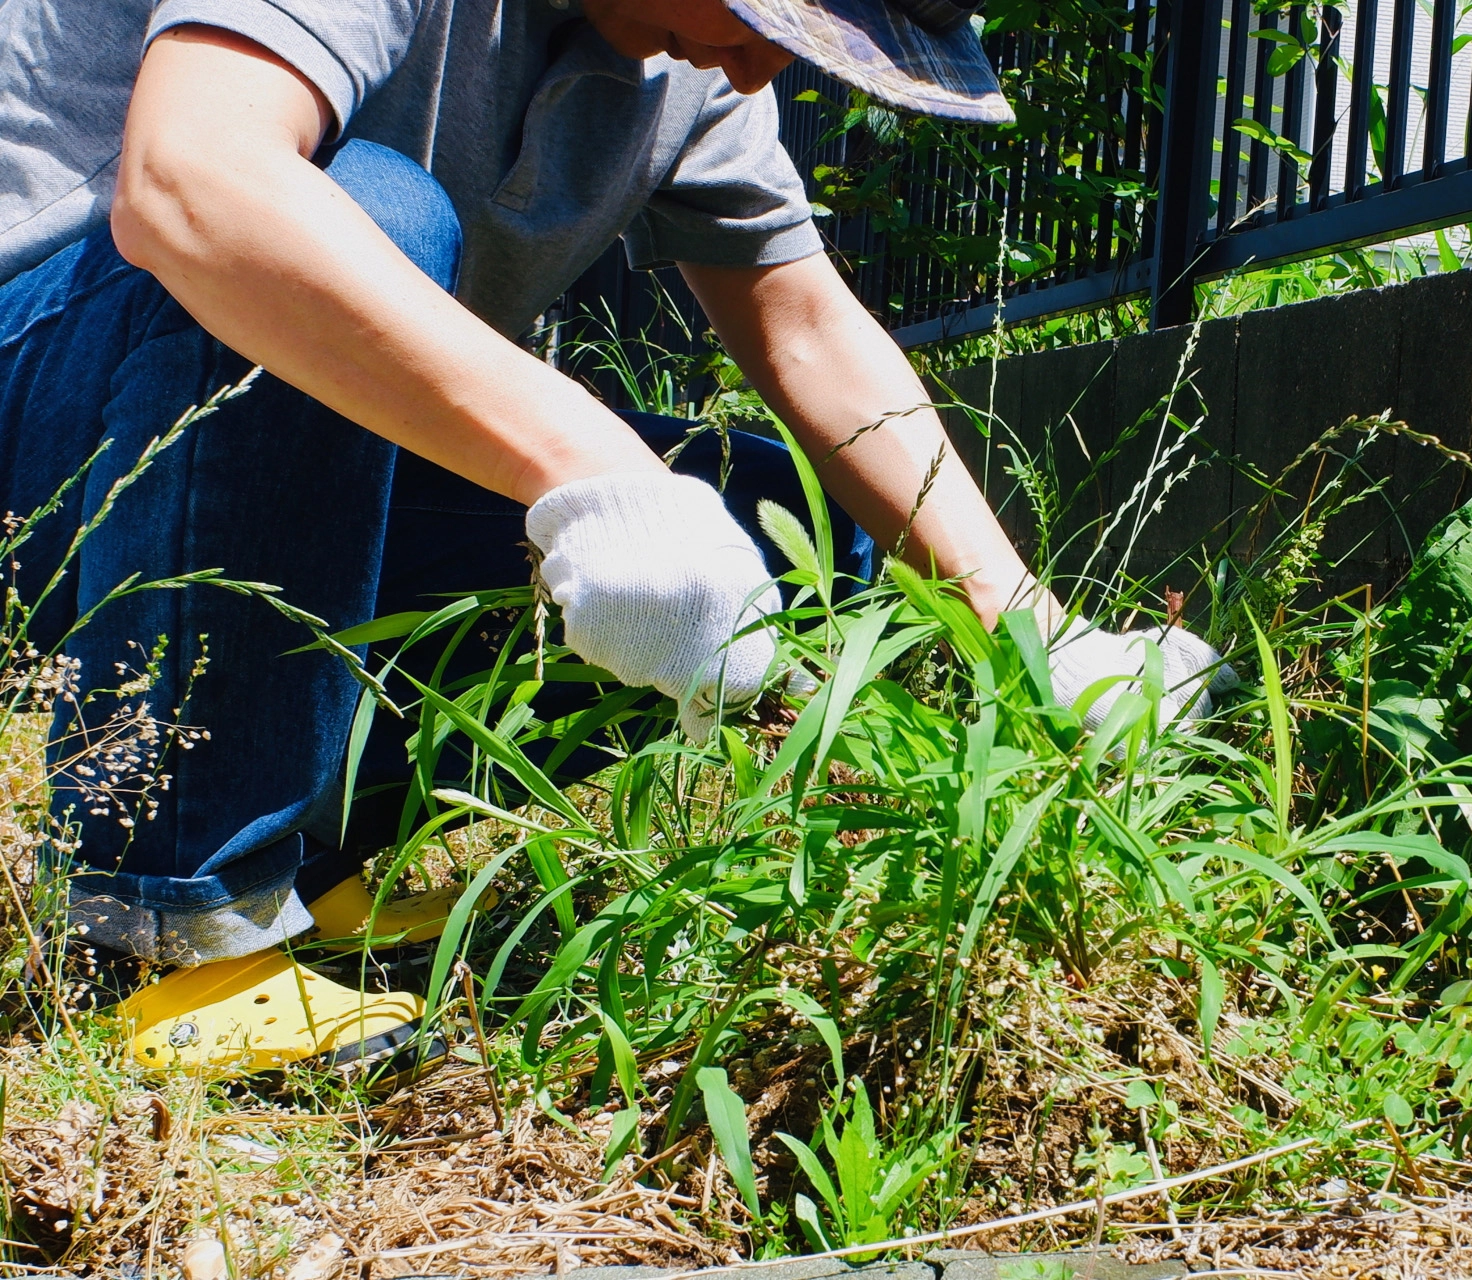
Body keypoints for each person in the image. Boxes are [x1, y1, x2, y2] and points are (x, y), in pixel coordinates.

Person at [0, 0, 1228, 1082]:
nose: (766, 72)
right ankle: (161, 917)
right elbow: (196, 185)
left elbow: (804, 329)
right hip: (48, 420)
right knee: (362, 205)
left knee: (788, 530)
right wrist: (593, 472)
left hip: (218, 455)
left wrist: (1032, 629)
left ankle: (299, 855)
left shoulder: (681, 62)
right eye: (779, 20)